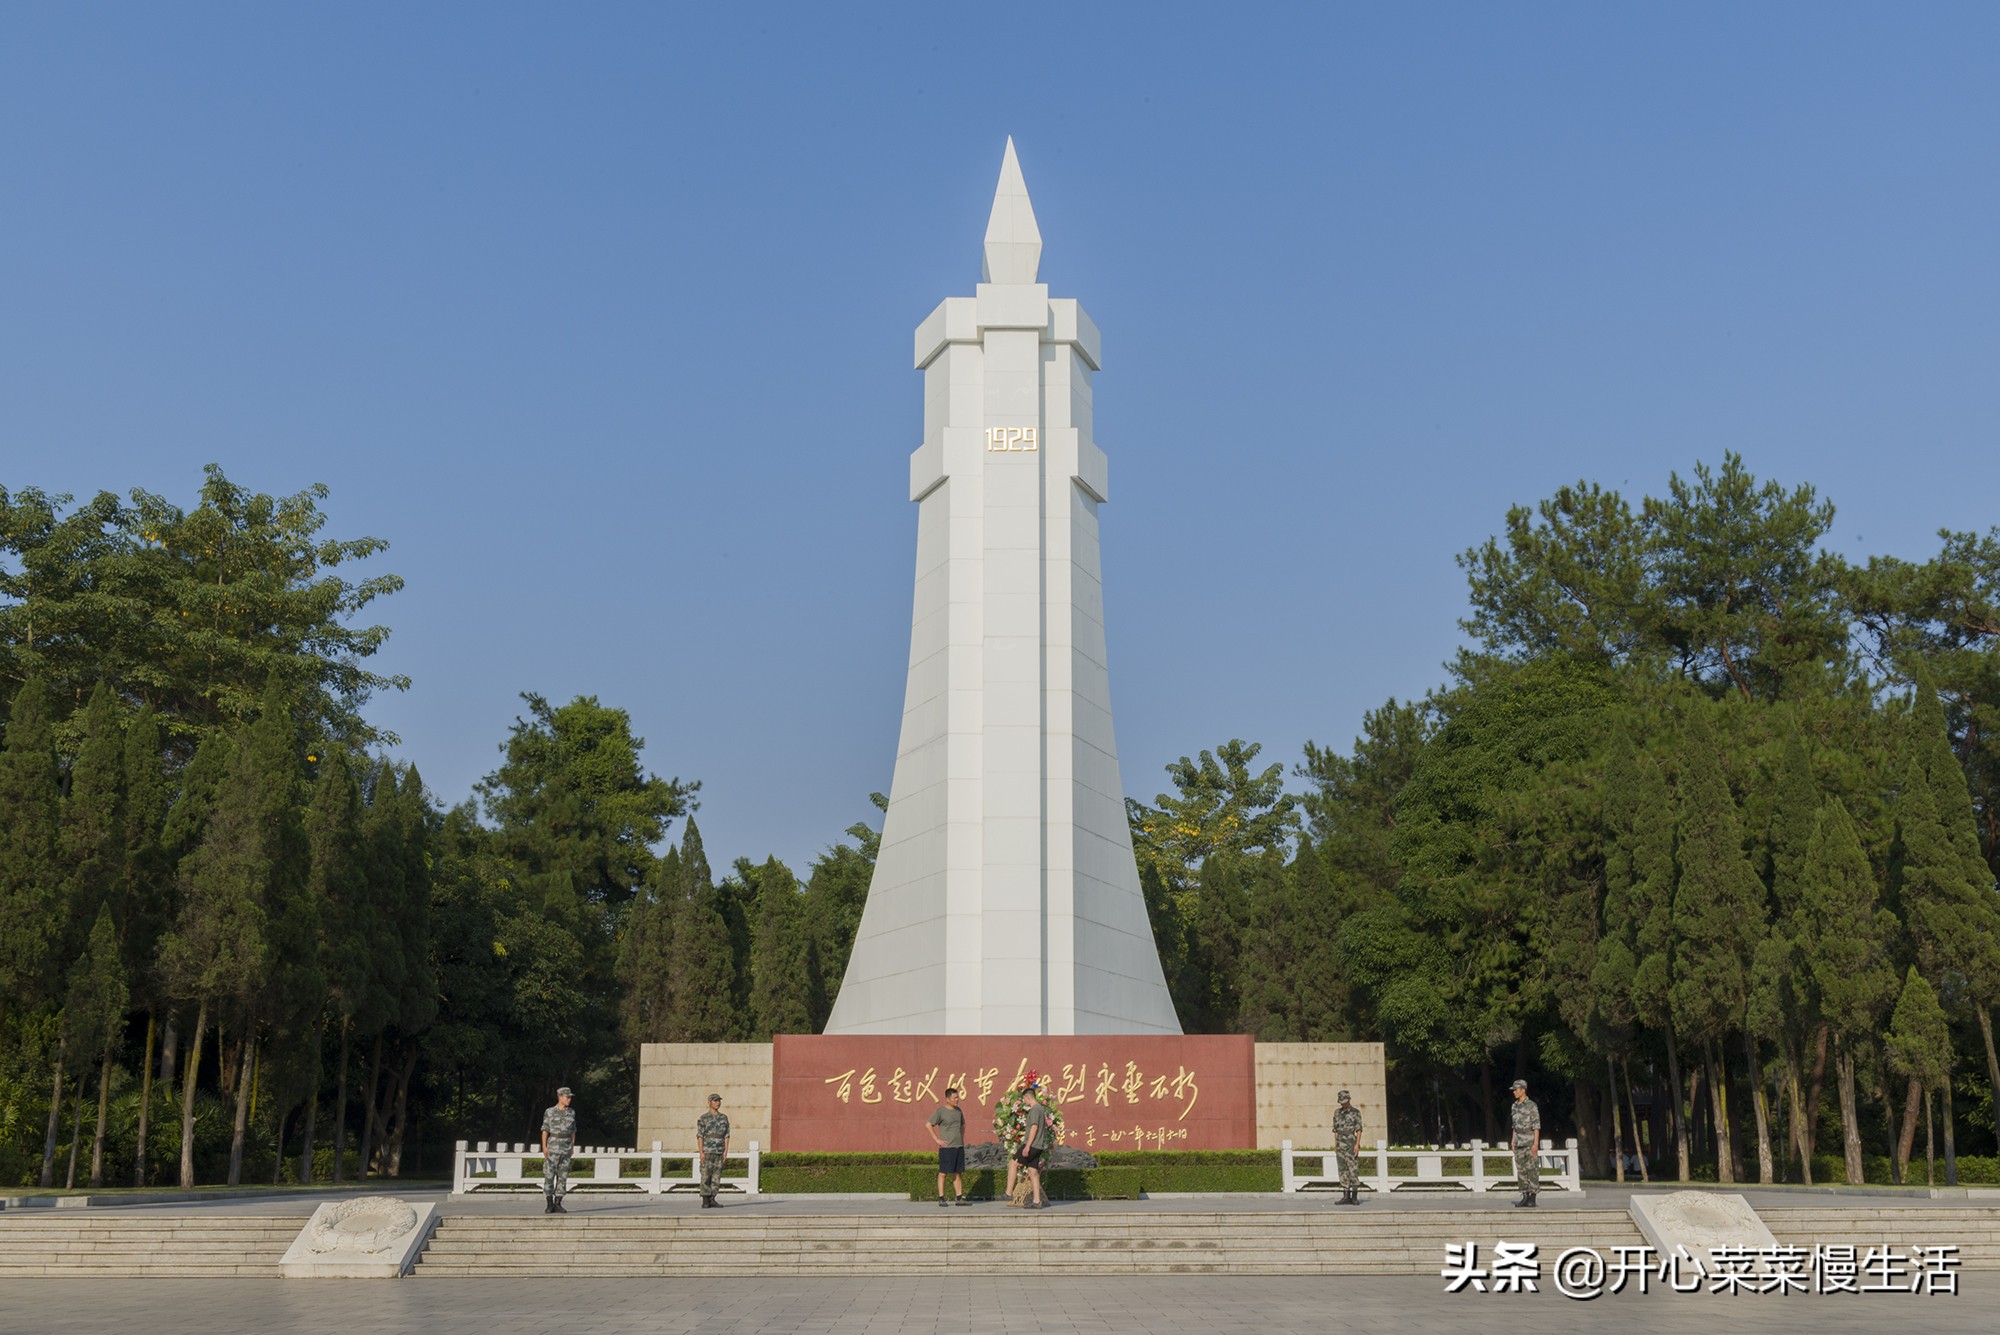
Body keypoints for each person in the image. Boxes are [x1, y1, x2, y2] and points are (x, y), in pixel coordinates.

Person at [926, 1086, 969, 1206]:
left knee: (957, 1173)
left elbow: (963, 1125)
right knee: (943, 1173)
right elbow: (928, 1124)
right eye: (955, 1098)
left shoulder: (958, 1111)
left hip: (958, 1146)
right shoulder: (941, 1111)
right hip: (947, 1148)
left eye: (957, 1097)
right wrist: (937, 1140)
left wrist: (961, 1137)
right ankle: (941, 1198)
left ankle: (959, 1198)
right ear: (947, 1099)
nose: (957, 1099)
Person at [540, 1086, 576, 1214]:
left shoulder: (571, 1112)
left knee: (563, 1177)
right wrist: (544, 1147)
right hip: (553, 1147)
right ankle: (549, 1204)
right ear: (560, 1097)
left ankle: (558, 1203)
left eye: (570, 1097)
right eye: (567, 1097)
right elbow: (545, 1130)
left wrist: (572, 1146)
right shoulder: (550, 1112)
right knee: (549, 1176)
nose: (569, 1099)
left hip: (566, 1148)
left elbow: (573, 1131)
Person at [1016, 1085, 1052, 1209]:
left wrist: (1027, 1146)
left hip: (1032, 1145)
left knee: (1014, 1162)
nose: (1023, 1102)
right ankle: (1037, 1201)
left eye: (1024, 1099)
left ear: (1028, 1098)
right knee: (1033, 1171)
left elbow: (1034, 1127)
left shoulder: (1035, 1109)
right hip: (1039, 1145)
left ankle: (1007, 1193)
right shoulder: (1041, 1108)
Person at [695, 1093, 731, 1209]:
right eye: (715, 1101)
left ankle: (712, 1199)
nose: (718, 1103)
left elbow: (726, 1136)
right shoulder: (704, 1118)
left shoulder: (724, 1118)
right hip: (707, 1151)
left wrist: (725, 1151)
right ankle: (705, 1200)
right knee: (705, 1175)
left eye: (719, 1101)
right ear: (709, 1102)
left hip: (719, 1151)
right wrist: (701, 1152)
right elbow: (700, 1136)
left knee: (716, 1176)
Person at [1509, 1079, 1541, 1208]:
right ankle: (1525, 1195)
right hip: (1518, 1142)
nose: (1514, 1092)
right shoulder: (1514, 1106)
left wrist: (1535, 1143)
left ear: (1523, 1090)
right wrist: (1513, 1140)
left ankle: (1533, 1196)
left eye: (1516, 1090)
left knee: (1532, 1170)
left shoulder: (1531, 1105)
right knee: (1521, 1171)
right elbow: (1514, 1126)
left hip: (1529, 1142)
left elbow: (1536, 1125)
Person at [1331, 1090, 1364, 1206]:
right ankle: (1346, 1196)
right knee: (1342, 1169)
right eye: (1341, 1102)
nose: (1343, 1104)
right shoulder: (1337, 1113)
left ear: (1349, 1100)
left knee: (1352, 1168)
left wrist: (1357, 1144)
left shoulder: (1355, 1112)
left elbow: (1359, 1129)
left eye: (1345, 1101)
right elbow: (1335, 1130)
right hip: (1340, 1143)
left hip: (1351, 1142)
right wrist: (1336, 1144)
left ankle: (1354, 1196)